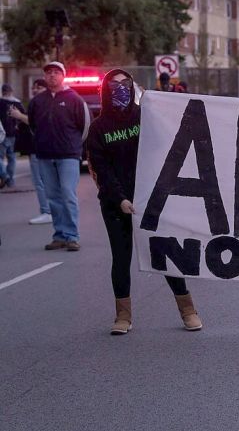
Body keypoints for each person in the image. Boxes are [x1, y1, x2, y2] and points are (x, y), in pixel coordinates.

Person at [87, 69, 203, 334]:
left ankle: (188, 310)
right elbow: (101, 170)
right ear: (105, 90)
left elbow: (165, 149)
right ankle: (123, 316)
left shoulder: (145, 116)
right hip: (116, 204)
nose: (120, 89)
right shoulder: (98, 128)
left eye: (125, 84)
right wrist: (121, 199)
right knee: (121, 258)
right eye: (114, 85)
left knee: (165, 253)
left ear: (132, 87)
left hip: (151, 199)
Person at [28, 62, 90, 252]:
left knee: (68, 194)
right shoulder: (37, 101)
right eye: (48, 73)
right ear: (44, 77)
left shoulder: (74, 99)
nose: (52, 75)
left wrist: (74, 146)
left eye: (56, 72)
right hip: (45, 156)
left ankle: (72, 236)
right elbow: (33, 126)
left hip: (68, 155)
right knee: (53, 197)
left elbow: (84, 126)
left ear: (63, 76)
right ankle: (60, 235)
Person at [8, 79, 53, 224]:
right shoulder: (40, 103)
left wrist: (19, 116)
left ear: (45, 89)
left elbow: (36, 122)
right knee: (45, 181)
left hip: (39, 149)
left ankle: (47, 211)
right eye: (34, 87)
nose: (34, 90)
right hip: (39, 148)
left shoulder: (44, 103)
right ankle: (52, 211)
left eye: (38, 87)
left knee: (40, 181)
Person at [0, 83, 24, 189]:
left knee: (0, 157)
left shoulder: (0, 102)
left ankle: (5, 176)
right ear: (11, 91)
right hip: (14, 134)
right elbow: (23, 117)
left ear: (2, 91)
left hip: (2, 134)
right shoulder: (17, 103)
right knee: (12, 158)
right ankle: (10, 181)